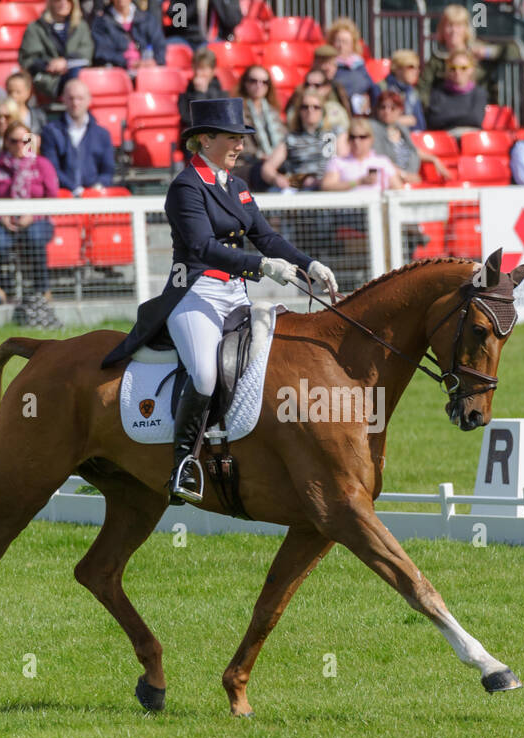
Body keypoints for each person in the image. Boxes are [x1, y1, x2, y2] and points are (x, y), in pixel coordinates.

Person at [100, 97, 337, 503]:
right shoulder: (185, 187)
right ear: (205, 140)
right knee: (206, 374)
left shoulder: (238, 186)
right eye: (232, 138)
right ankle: (182, 466)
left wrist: (308, 263)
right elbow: (202, 245)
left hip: (235, 292)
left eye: (241, 138)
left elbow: (266, 236)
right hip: (195, 292)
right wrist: (261, 267)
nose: (240, 146)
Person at [0, 117, 60, 302]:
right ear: (6, 142)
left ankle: (42, 290)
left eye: (25, 140)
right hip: (3, 221)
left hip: (37, 220)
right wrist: (2, 216)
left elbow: (52, 197)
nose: (19, 145)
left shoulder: (42, 164)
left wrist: (33, 215)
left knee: (35, 237)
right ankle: (3, 290)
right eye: (13, 140)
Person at [40, 77, 117, 193]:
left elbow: (108, 171)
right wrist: (74, 189)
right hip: (62, 198)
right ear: (63, 99)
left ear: (89, 100)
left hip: (94, 200)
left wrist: (97, 188)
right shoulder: (50, 132)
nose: (75, 103)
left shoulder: (103, 134)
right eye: (71, 98)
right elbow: (51, 169)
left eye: (80, 98)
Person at [418, 3, 503, 106]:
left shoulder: (479, 50)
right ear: (442, 29)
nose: (454, 30)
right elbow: (423, 89)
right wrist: (434, 109)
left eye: (458, 25)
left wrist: (488, 52)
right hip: (447, 112)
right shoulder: (436, 59)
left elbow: (513, 52)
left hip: (479, 111)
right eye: (449, 25)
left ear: (466, 29)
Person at [262, 86, 344, 190]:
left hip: (330, 188)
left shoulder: (336, 132)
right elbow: (267, 168)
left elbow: (345, 161)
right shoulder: (291, 138)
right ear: (299, 111)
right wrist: (276, 178)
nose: (310, 110)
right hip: (300, 190)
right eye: (305, 107)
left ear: (323, 111)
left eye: (316, 107)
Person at [369, 88, 448, 183]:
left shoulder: (401, 128)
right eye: (383, 107)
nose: (387, 111)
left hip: (410, 176)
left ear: (400, 110)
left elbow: (413, 150)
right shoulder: (372, 129)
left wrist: (434, 159)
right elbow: (379, 159)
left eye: (392, 108)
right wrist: (404, 175)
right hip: (390, 180)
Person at [19, 0, 94, 101]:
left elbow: (86, 53)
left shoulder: (81, 27)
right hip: (46, 81)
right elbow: (28, 59)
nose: (63, 3)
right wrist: (49, 65)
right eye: (58, 0)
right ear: (50, 3)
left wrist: (65, 62)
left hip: (76, 80)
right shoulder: (36, 28)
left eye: (68, 0)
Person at [234, 62, 284, 185]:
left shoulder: (273, 112)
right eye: (253, 81)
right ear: (245, 83)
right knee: (264, 170)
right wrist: (260, 155)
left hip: (273, 163)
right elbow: (235, 145)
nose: (259, 85)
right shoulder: (236, 111)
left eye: (264, 82)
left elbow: (284, 141)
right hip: (246, 166)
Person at [321, 116, 402, 191]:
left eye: (362, 137)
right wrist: (358, 182)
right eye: (353, 137)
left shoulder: (383, 162)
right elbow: (327, 187)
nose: (356, 141)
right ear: (348, 139)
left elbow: (398, 190)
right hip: (348, 205)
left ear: (371, 139)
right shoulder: (337, 162)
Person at [424, 49, 487, 136]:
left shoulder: (479, 93)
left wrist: (448, 117)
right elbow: (434, 120)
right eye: (453, 68)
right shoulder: (438, 92)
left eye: (463, 68)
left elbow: (475, 119)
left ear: (471, 69)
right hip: (446, 138)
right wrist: (465, 116)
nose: (457, 72)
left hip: (471, 138)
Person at [91, 0, 165, 69]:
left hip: (146, 70)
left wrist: (154, 61)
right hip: (119, 71)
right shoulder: (101, 23)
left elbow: (159, 44)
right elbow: (103, 52)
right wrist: (128, 63)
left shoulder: (147, 18)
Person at [326, 17, 373, 117]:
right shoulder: (327, 66)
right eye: (338, 41)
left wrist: (369, 99)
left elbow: (370, 86)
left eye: (345, 42)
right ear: (331, 43)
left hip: (361, 112)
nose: (341, 46)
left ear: (353, 45)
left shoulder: (359, 64)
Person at [370, 48, 424, 129]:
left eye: (418, 67)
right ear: (398, 69)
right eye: (411, 67)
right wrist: (402, 120)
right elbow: (377, 120)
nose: (416, 71)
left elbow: (420, 125)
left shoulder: (412, 92)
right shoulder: (380, 88)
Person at [284, 66, 348, 134]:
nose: (311, 88)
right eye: (307, 85)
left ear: (327, 88)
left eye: (317, 85)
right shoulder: (295, 110)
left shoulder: (336, 110)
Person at [162, 0, 242, 51]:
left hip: (214, 40)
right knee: (166, 49)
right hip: (185, 37)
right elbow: (176, 19)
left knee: (209, 53)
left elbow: (233, 20)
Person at [177, 46, 228, 123]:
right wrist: (199, 93)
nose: (198, 73)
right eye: (196, 68)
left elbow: (212, 119)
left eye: (203, 69)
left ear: (213, 71)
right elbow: (187, 119)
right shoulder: (186, 92)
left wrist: (201, 93)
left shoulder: (221, 94)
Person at [5, 70, 46, 135]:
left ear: (28, 92)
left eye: (18, 92)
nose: (13, 95)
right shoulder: (2, 115)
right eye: (10, 92)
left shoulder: (38, 116)